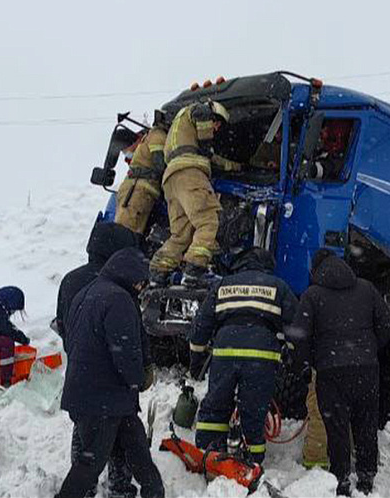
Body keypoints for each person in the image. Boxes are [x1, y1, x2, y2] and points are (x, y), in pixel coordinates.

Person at [56, 247, 164, 498]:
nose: (141, 287)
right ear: (128, 275)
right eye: (140, 280)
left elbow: (72, 341)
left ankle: (155, 494)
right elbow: (126, 351)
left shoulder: (87, 293)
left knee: (138, 452)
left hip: (97, 396)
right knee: (89, 465)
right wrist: (138, 378)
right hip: (103, 400)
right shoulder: (118, 299)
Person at [290, 249, 390, 496]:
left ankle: (341, 479)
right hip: (366, 370)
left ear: (316, 271)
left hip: (331, 371)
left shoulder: (312, 295)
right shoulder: (367, 289)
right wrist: (369, 350)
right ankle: (366, 476)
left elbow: (299, 336)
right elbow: (386, 326)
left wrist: (305, 366)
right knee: (366, 423)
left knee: (336, 426)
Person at [189, 247, 297, 465]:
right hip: (261, 354)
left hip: (225, 351)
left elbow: (201, 326)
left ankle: (208, 453)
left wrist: (196, 359)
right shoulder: (278, 286)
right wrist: (294, 357)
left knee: (216, 405)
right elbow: (295, 328)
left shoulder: (223, 285)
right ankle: (251, 460)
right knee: (253, 410)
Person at [149, 100, 237, 287]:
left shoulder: (181, 133)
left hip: (172, 180)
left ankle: (159, 271)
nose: (216, 128)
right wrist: (207, 143)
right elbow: (203, 116)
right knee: (209, 221)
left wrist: (236, 166)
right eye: (217, 123)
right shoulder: (199, 110)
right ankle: (195, 271)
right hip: (190, 175)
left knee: (181, 234)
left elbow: (214, 160)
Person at [114, 110, 170, 235]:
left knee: (128, 233)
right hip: (137, 194)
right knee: (126, 233)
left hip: (136, 193)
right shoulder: (158, 136)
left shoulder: (152, 137)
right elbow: (160, 167)